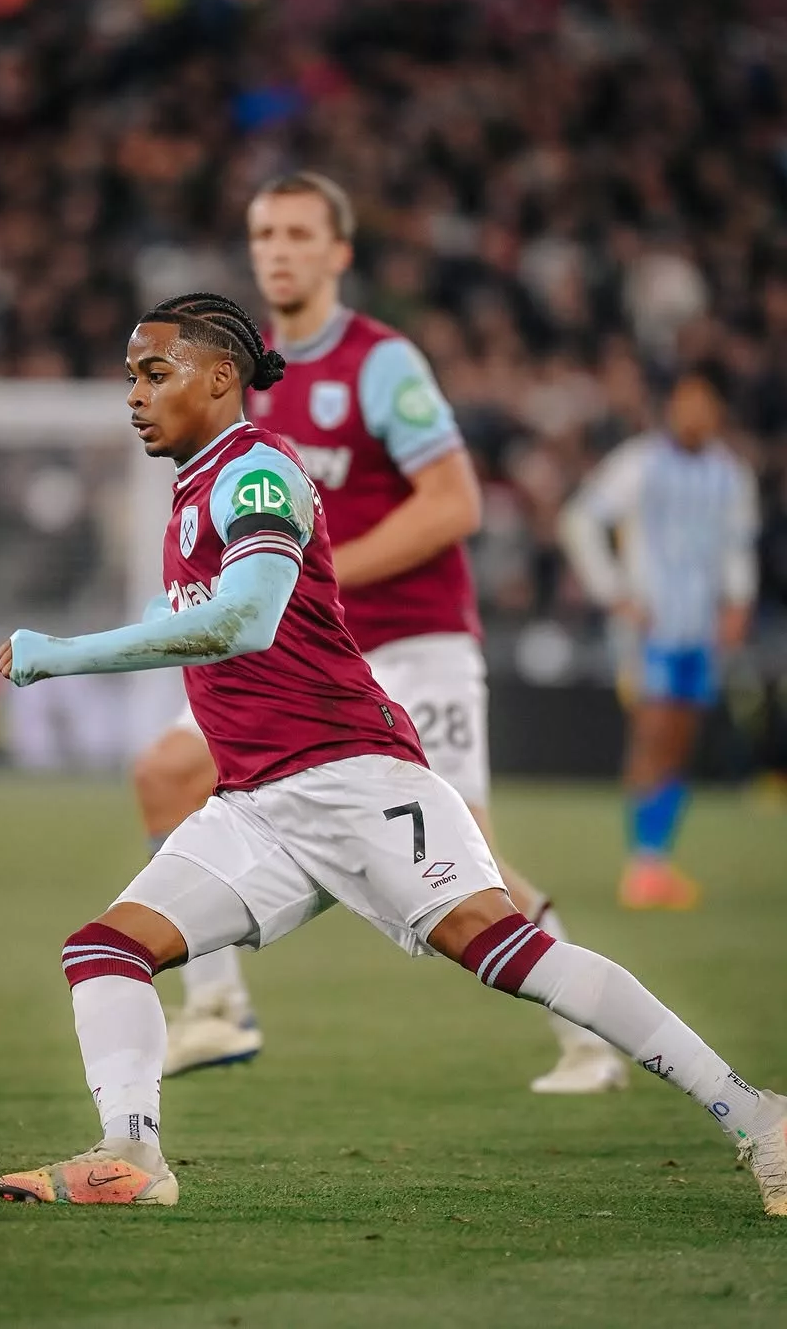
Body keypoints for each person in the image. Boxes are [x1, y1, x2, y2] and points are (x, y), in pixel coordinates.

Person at [0, 291, 786, 1214]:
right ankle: (131, 1157)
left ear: (220, 379)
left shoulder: (257, 473)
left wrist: (64, 655)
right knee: (104, 950)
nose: (134, 394)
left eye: (154, 372)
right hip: (255, 805)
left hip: (355, 779)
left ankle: (759, 1118)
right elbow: (199, 623)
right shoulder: (191, 489)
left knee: (503, 952)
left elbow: (245, 622)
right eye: (129, 375)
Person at [133, 172, 624, 1093]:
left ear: (338, 253)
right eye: (264, 233)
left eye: (298, 234)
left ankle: (588, 1030)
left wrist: (312, 573)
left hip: (414, 638)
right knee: (165, 772)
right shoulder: (241, 376)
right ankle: (217, 1010)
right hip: (312, 654)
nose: (278, 249)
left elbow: (455, 502)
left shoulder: (380, 363)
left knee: (464, 856)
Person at [560, 360, 759, 910]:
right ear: (672, 408)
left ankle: (657, 859)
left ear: (717, 412)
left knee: (681, 741)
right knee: (653, 733)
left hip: (702, 627)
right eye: (685, 401)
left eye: (704, 403)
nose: (694, 413)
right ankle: (642, 866)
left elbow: (735, 547)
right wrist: (613, 590)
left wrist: (738, 602)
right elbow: (580, 520)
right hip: (649, 627)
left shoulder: (730, 474)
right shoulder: (640, 464)